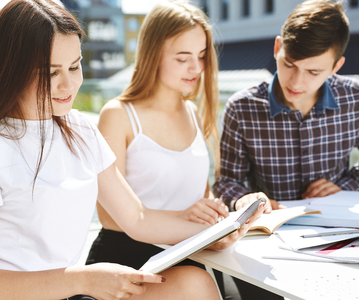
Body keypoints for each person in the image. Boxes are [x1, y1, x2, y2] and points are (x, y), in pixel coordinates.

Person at [0, 1, 265, 300]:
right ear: (12, 68)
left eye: (75, 66)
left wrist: (220, 231)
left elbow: (137, 218)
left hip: (69, 291)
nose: (69, 85)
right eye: (51, 72)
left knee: (195, 284)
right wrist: (81, 280)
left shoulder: (79, 129)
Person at [85, 1, 265, 298]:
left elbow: (199, 195)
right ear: (153, 54)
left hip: (191, 251)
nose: (196, 68)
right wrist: (186, 220)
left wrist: (229, 212)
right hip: (129, 258)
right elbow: (108, 216)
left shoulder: (192, 112)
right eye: (183, 58)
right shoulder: (118, 114)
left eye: (202, 56)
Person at [213, 0, 358, 299]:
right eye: (289, 64)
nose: (297, 81)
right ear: (278, 47)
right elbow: (225, 182)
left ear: (337, 66)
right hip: (266, 249)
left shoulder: (354, 100)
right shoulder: (242, 107)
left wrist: (342, 185)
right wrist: (244, 199)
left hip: (337, 239)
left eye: (314, 71)